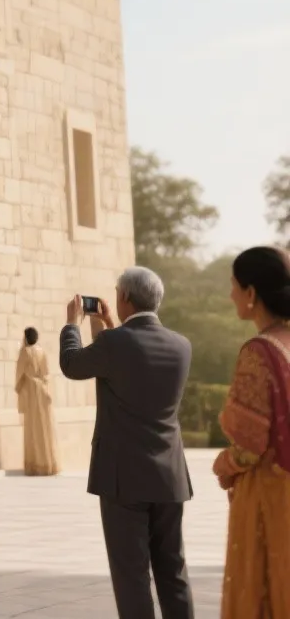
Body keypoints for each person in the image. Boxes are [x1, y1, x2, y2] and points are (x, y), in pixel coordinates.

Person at [60, 268, 194, 619]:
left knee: (131, 575)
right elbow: (125, 365)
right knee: (172, 571)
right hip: (169, 475)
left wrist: (72, 324)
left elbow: (73, 364)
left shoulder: (115, 344)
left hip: (123, 479)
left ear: (124, 298)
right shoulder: (181, 345)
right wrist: (106, 327)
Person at [212, 245, 290, 618]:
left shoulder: (260, 351)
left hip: (272, 499)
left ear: (252, 293)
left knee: (264, 596)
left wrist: (223, 465)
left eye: (233, 285)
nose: (230, 295)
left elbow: (249, 447)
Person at [15, 327, 60, 476]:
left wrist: (19, 386)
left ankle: (35, 466)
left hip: (31, 393)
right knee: (45, 428)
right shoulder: (42, 351)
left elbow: (19, 373)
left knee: (33, 429)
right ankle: (48, 464)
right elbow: (46, 373)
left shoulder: (25, 352)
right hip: (43, 391)